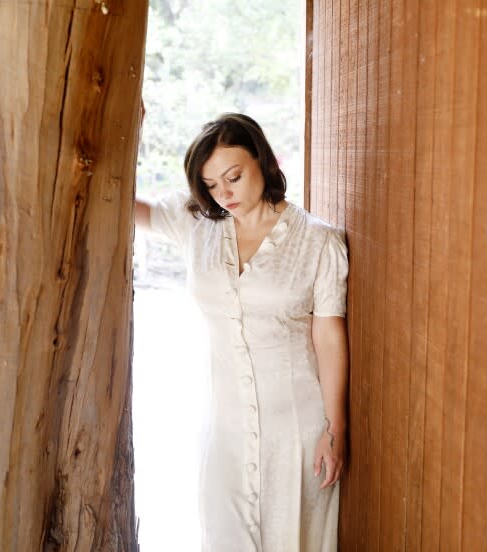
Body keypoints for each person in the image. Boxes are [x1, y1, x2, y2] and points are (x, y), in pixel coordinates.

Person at [135, 113, 349, 551]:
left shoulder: (319, 242)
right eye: (211, 184)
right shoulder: (198, 226)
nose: (224, 193)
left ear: (265, 160)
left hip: (296, 431)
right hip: (225, 431)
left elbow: (328, 340)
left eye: (233, 177)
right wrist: (127, 134)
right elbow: (118, 200)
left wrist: (335, 428)